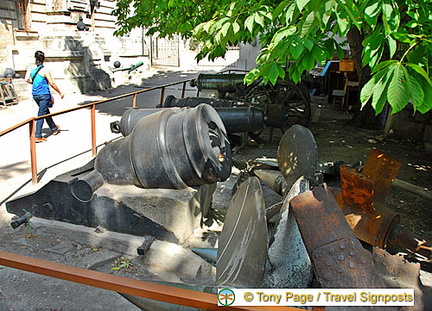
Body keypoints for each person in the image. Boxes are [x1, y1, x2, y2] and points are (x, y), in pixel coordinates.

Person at [25, 50, 65, 142]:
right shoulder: (45, 70)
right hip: (44, 95)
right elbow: (52, 83)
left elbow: (26, 79)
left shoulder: (30, 68)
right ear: (43, 59)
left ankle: (54, 128)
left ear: (35, 58)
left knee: (45, 111)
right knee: (41, 114)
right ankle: (38, 135)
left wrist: (34, 83)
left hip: (35, 95)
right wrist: (60, 92)